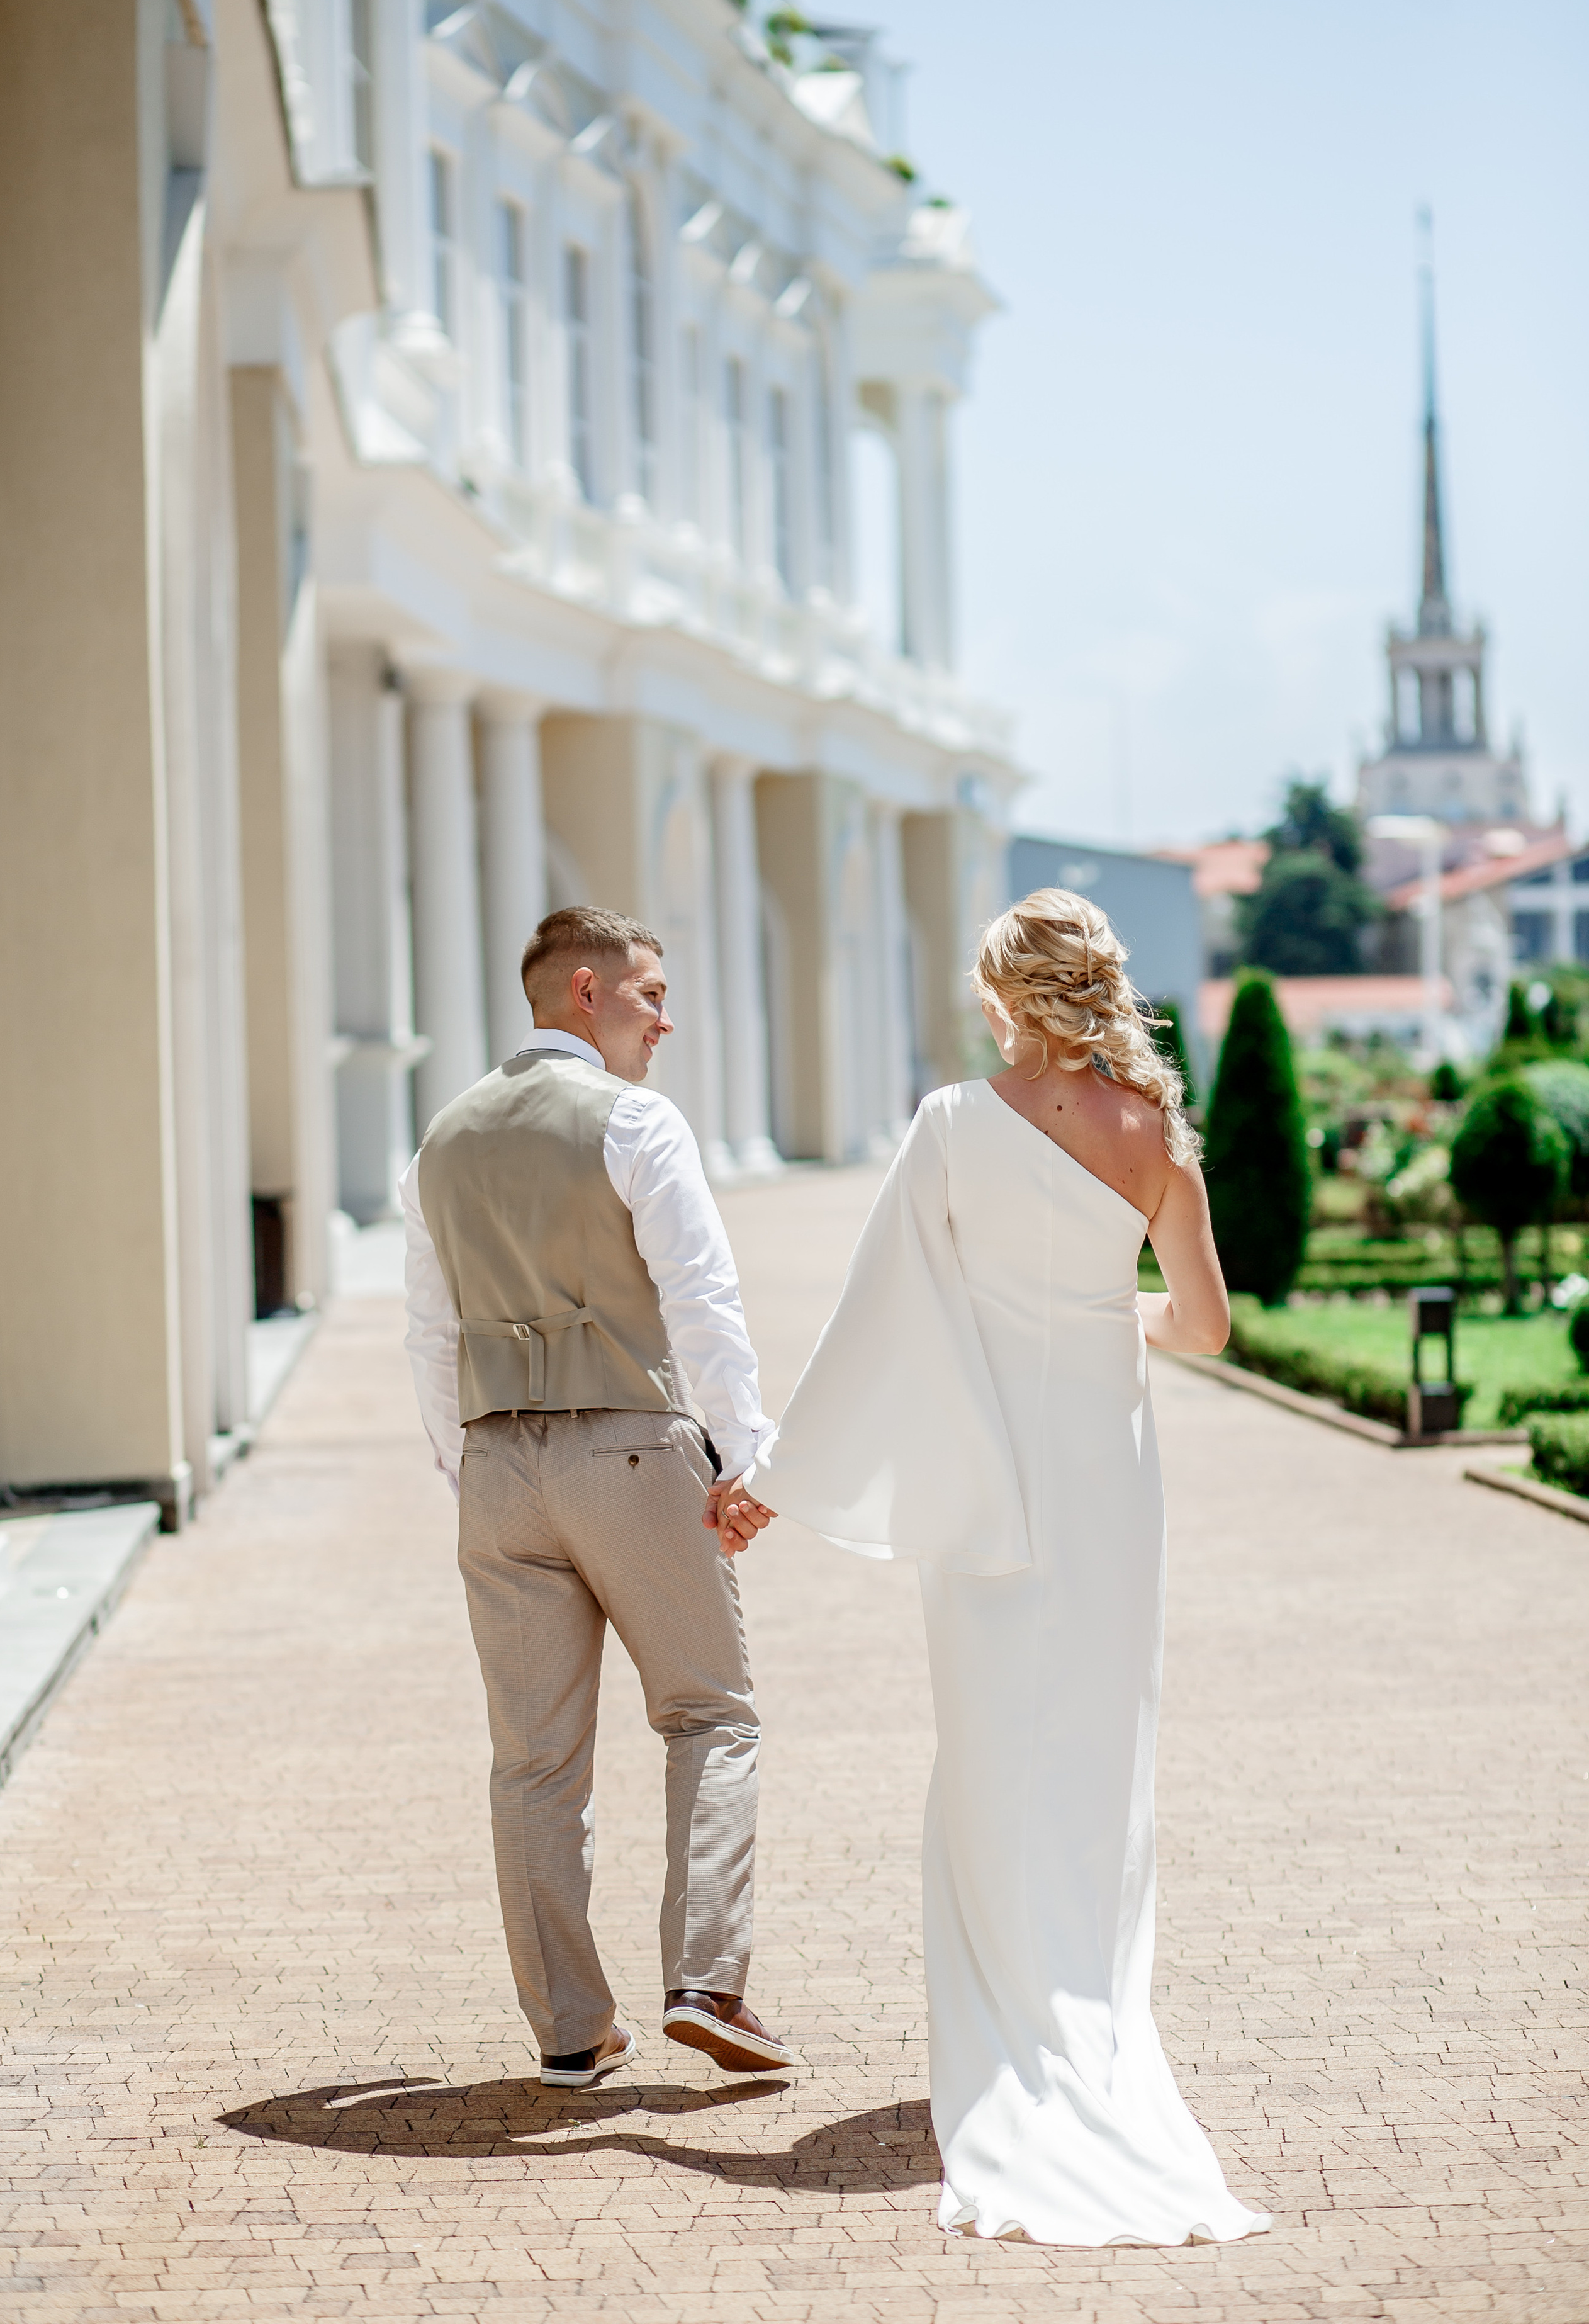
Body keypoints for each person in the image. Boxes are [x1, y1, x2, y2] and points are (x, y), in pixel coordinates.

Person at [709, 889, 1271, 2247]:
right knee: (1099, 1744)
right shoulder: (1155, 1137)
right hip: (1108, 1480)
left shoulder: (955, 1124)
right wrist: (1104, 1311)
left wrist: (773, 1478)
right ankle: (1086, 2004)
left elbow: (876, 1313)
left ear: (1006, 995)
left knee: (988, 1746)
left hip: (988, 1482)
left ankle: (1015, 2010)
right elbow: (1204, 1325)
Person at [402, 905, 793, 2089]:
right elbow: (701, 1297)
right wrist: (746, 1458)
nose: (665, 1019)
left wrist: (468, 1466)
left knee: (532, 1761)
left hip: (495, 1468)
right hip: (628, 1451)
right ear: (586, 990)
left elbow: (429, 1335)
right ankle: (706, 1982)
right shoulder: (635, 1121)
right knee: (711, 1715)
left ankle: (570, 2030)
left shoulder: (441, 1141)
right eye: (650, 994)